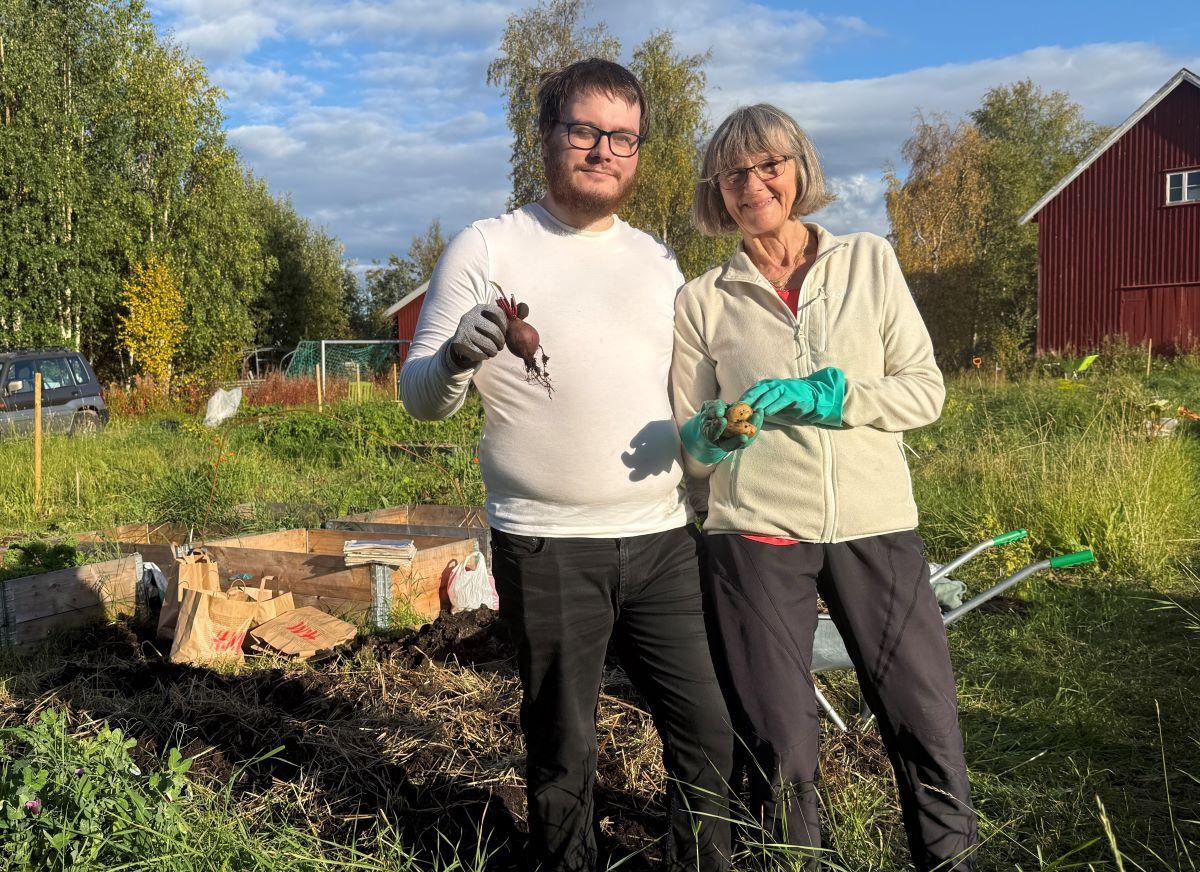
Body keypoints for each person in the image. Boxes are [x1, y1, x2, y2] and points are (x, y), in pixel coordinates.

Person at [400, 59, 733, 872]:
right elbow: (419, 396)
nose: (603, 150)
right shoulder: (488, 246)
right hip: (548, 545)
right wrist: (451, 361)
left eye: (622, 136)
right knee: (563, 746)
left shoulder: (657, 262)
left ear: (638, 150)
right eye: (584, 130)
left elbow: (692, 397)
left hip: (661, 539)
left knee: (706, 733)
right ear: (546, 137)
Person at [670, 103, 978, 870]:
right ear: (719, 191)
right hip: (757, 531)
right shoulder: (703, 299)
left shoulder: (868, 259)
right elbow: (689, 443)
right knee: (781, 742)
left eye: (769, 164)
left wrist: (838, 401)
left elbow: (923, 392)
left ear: (798, 169)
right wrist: (713, 433)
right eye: (734, 173)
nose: (753, 184)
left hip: (875, 522)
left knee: (925, 722)